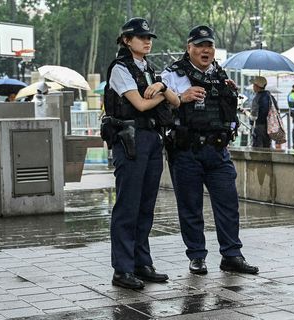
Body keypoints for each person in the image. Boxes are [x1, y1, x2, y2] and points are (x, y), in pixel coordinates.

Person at [161, 25, 259, 275]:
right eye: (200, 45)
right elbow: (158, 110)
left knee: (228, 204)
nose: (206, 50)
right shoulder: (171, 76)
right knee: (190, 206)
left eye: (210, 46)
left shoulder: (220, 74)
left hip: (217, 151)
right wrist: (180, 96)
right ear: (189, 48)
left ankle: (232, 255)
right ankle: (196, 256)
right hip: (186, 150)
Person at [103, 17, 180, 289]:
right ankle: (122, 269)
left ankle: (141, 263)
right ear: (126, 40)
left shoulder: (148, 68)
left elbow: (177, 101)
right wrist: (163, 92)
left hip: (151, 139)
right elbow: (141, 104)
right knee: (128, 206)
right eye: (140, 37)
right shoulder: (120, 69)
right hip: (130, 140)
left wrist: (162, 87)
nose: (147, 41)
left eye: (149, 37)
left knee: (146, 205)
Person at [250, 76, 278, 148]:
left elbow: (253, 116)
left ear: (257, 86)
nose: (253, 87)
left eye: (254, 85)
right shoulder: (271, 96)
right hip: (270, 127)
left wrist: (247, 114)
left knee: (258, 149)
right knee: (267, 147)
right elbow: (277, 110)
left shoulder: (257, 98)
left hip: (259, 126)